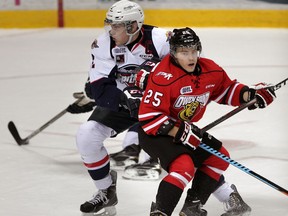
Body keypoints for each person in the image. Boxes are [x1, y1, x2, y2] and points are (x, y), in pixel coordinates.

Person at [137, 27, 276, 216]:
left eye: (194, 51)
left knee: (219, 156)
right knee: (184, 166)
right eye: (184, 52)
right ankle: (160, 212)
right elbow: (148, 116)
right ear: (173, 52)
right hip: (157, 132)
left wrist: (250, 95)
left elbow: (227, 90)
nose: (191, 57)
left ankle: (193, 206)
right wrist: (178, 131)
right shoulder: (163, 76)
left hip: (185, 130)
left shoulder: (210, 69)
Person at [74, 0, 170, 215]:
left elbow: (182, 76)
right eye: (110, 25)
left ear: (133, 26)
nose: (111, 30)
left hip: (158, 102)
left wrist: (153, 98)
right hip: (123, 101)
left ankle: (150, 154)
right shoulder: (103, 44)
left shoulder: (161, 40)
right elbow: (99, 87)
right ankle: (106, 191)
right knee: (86, 135)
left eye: (116, 26)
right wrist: (123, 97)